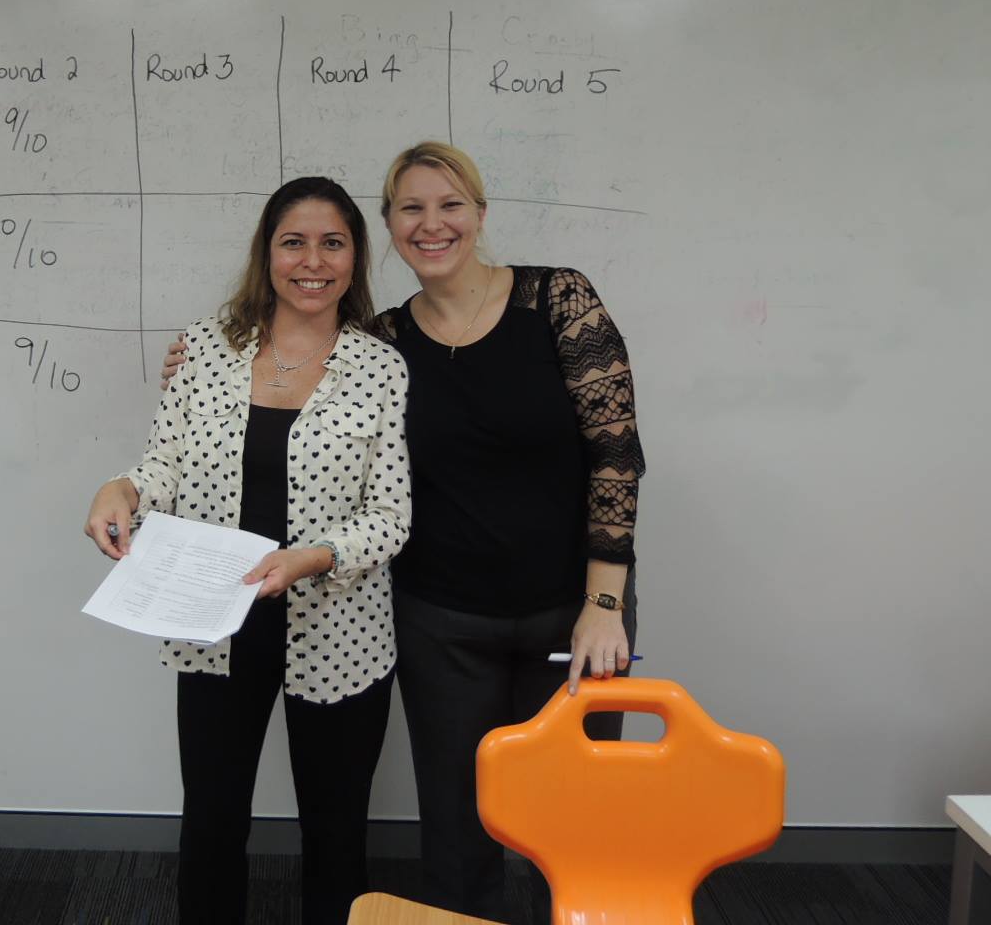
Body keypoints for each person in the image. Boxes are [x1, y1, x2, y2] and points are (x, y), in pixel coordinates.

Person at [161, 142, 645, 922]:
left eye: (450, 205)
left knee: (570, 818)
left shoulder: (558, 300)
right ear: (389, 227)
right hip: (442, 618)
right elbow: (296, 371)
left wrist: (605, 602)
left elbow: (616, 454)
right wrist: (198, 366)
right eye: (411, 209)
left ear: (479, 213)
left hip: (572, 611)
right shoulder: (384, 342)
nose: (432, 224)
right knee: (455, 832)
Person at [85, 176, 411, 925]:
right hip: (213, 621)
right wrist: (122, 488)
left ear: (355, 257)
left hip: (339, 629)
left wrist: (312, 555)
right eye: (293, 242)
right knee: (211, 818)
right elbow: (164, 464)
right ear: (267, 253)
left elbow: (391, 515)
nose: (312, 262)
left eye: (332, 244)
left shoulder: (381, 368)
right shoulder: (205, 347)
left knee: (336, 829)